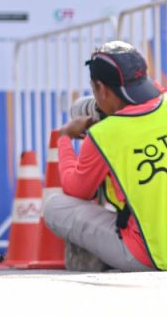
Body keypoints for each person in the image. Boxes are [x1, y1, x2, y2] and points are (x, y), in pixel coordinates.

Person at [42, 42, 167, 272]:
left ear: (100, 88)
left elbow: (76, 189)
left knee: (55, 207)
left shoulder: (104, 135)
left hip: (151, 256)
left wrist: (64, 137)